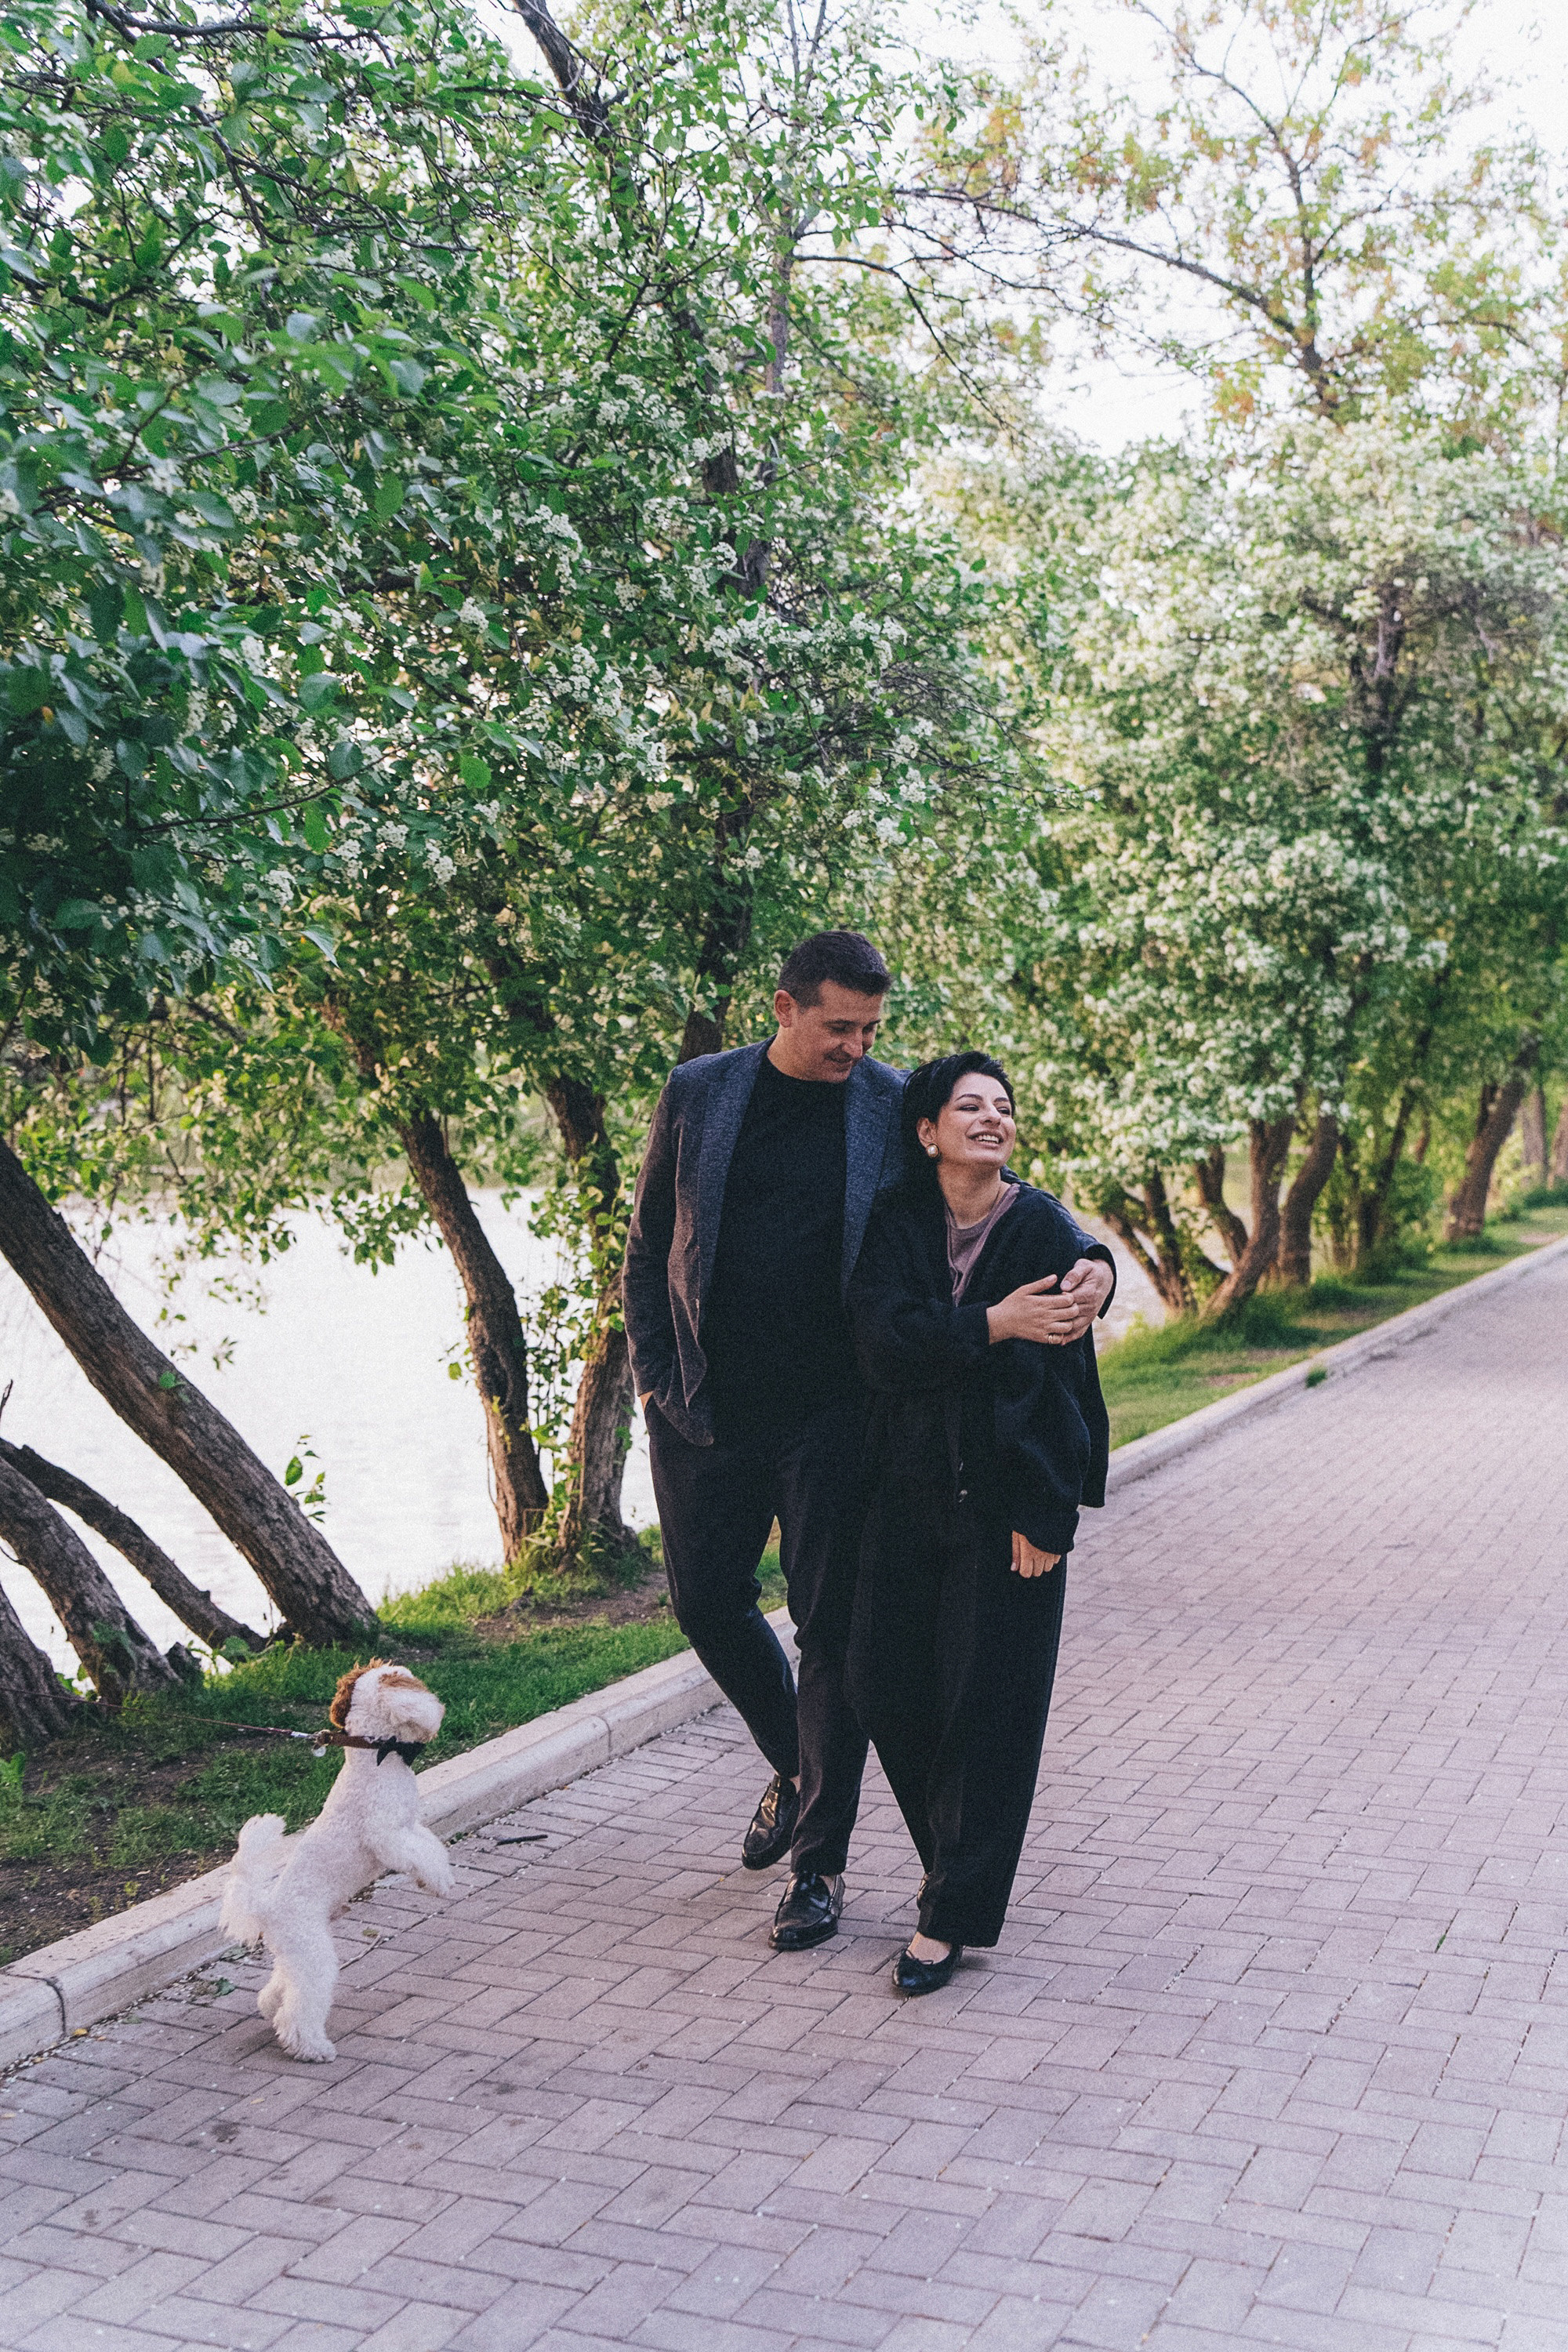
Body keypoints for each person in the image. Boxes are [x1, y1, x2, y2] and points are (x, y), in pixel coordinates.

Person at [623, 935, 1116, 1955]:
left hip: (834, 1415)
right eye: (839, 1026)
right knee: (704, 1604)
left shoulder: (892, 1102)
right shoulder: (698, 1092)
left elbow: (994, 1179)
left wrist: (1090, 1256)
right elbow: (645, 1249)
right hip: (706, 1411)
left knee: (829, 1634)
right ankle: (796, 1767)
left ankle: (818, 1866)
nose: (856, 1045)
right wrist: (660, 1380)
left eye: (870, 1030)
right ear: (784, 1007)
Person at [846, 1050, 1111, 1996]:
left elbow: (1061, 1389)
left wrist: (1048, 1516)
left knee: (989, 1712)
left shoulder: (1039, 1226)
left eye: (1003, 1106)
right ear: (927, 1132)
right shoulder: (896, 1221)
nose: (991, 1118)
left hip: (1005, 1512)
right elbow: (882, 1345)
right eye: (969, 1107)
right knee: (883, 1684)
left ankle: (947, 1916)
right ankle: (955, 1863)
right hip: (900, 1501)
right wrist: (991, 1325)